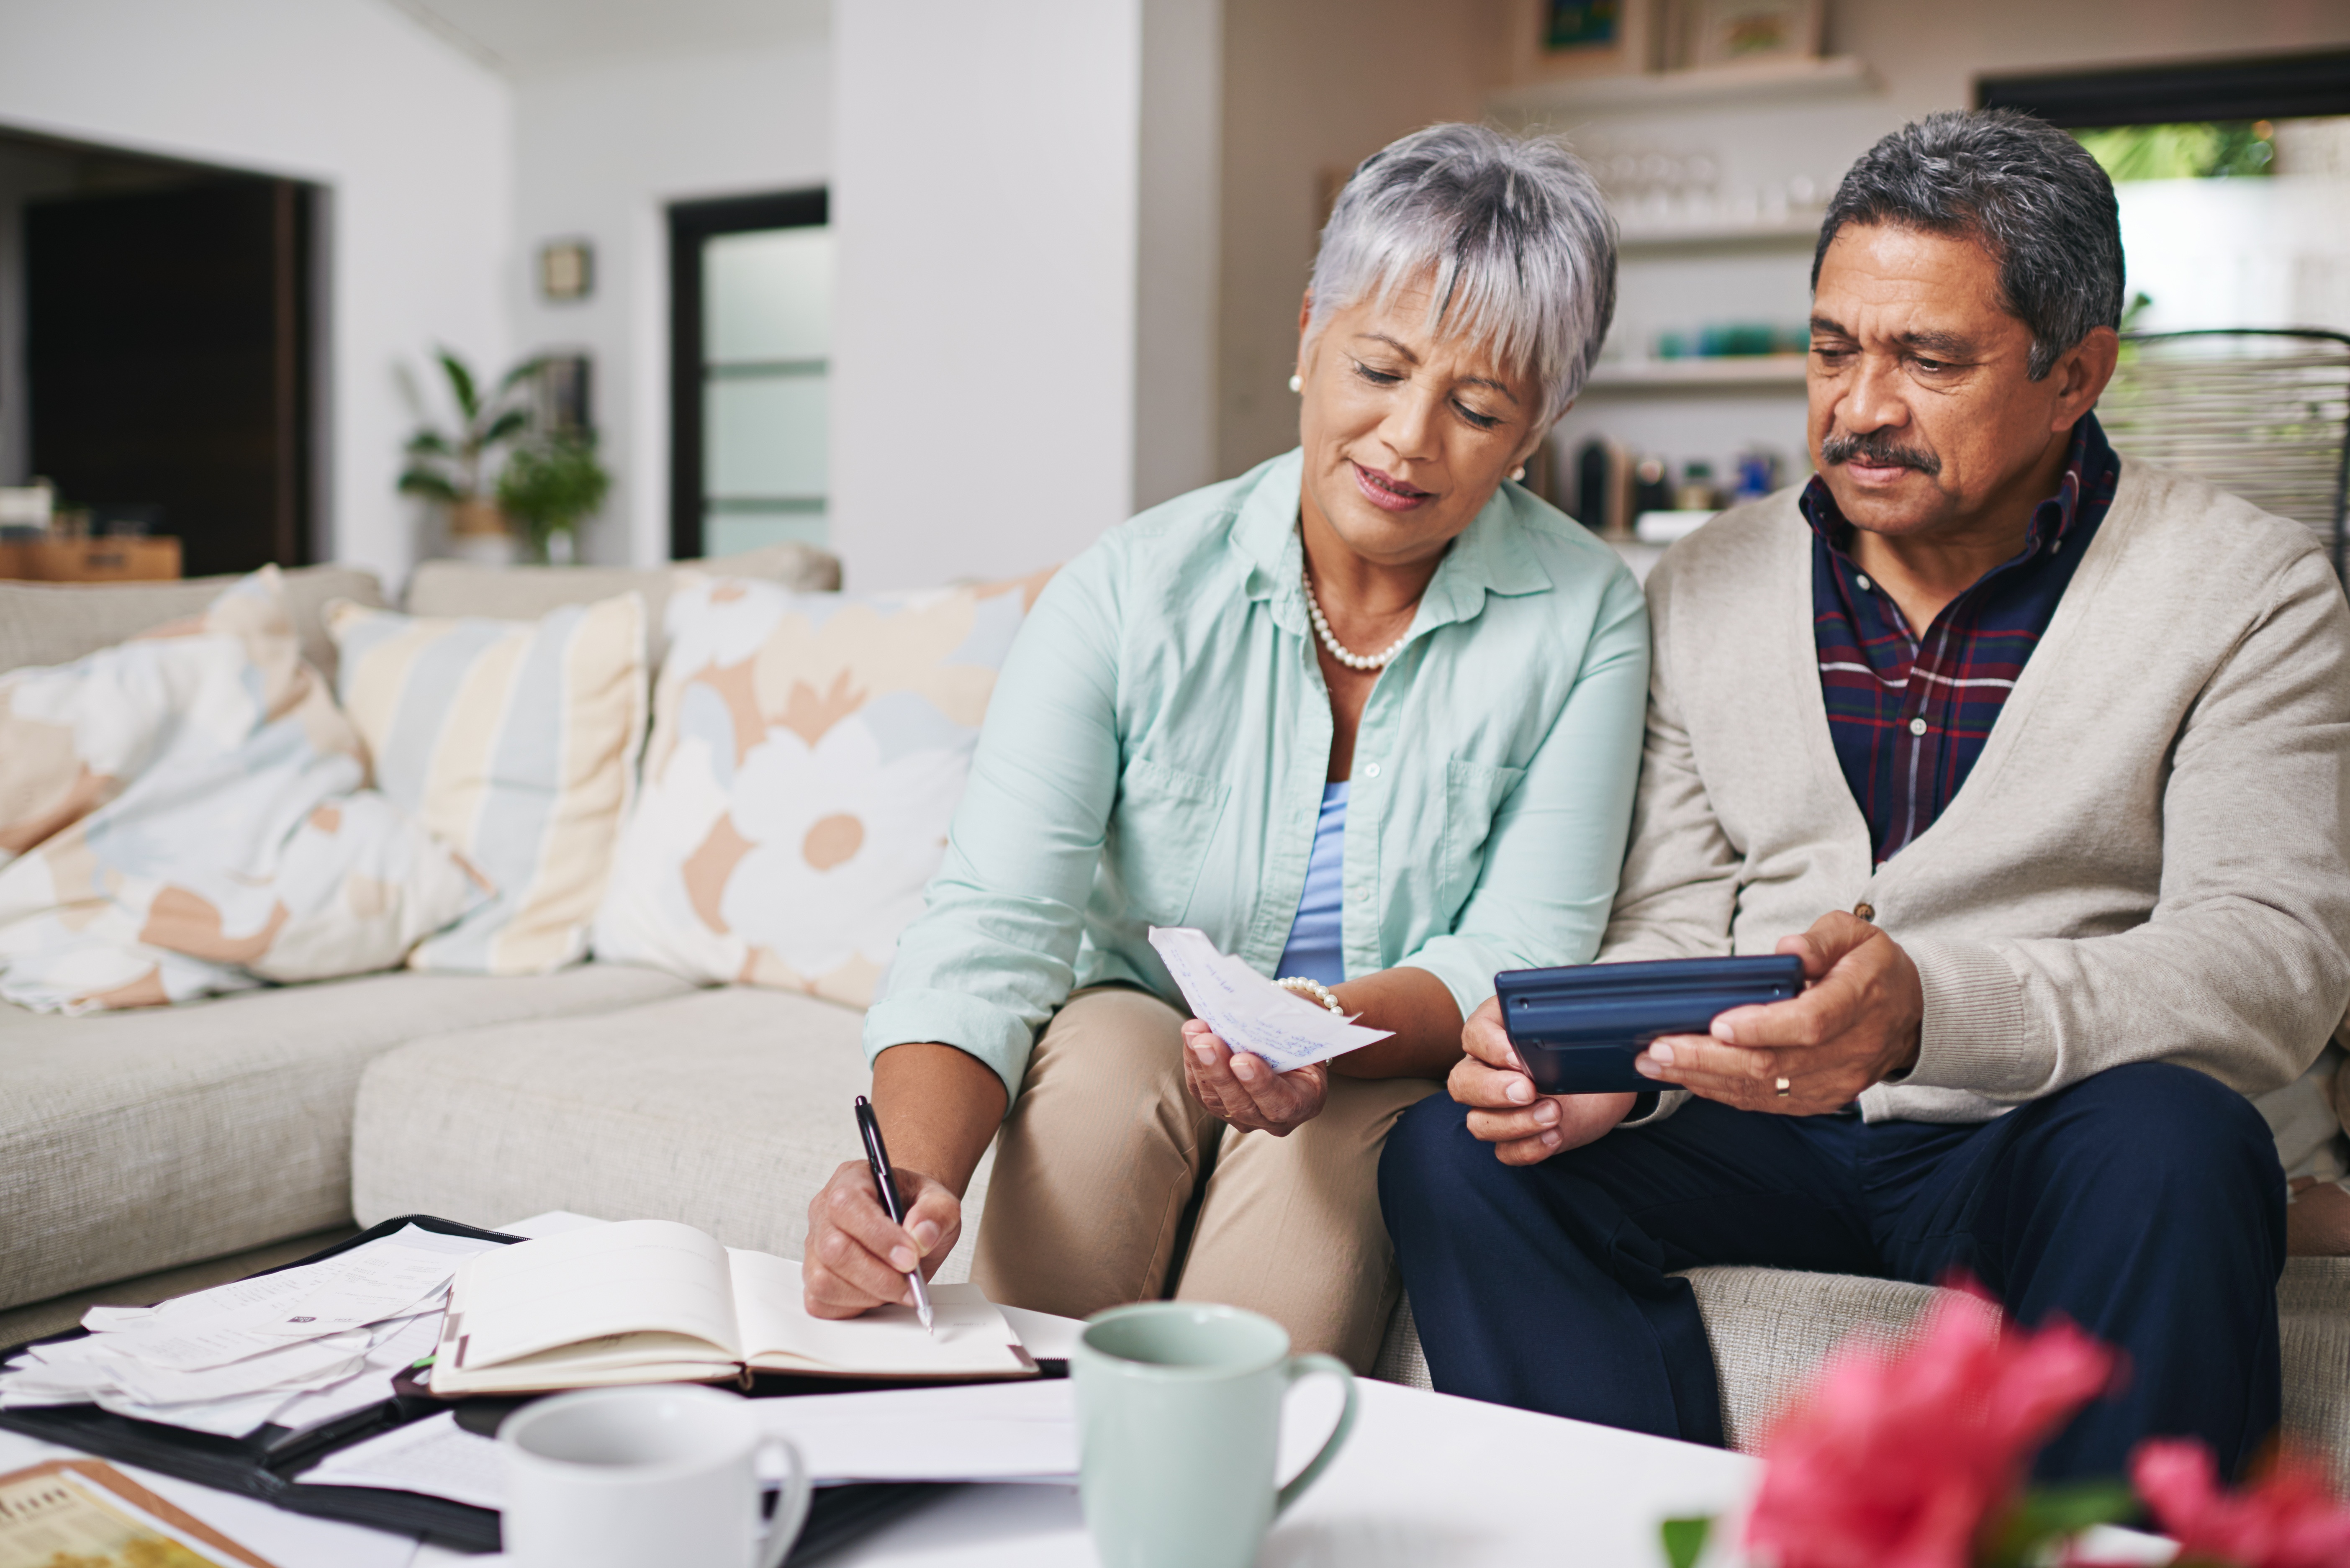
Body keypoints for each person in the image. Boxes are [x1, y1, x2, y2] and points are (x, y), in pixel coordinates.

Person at [1382, 108, 2350, 1478]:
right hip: (1762, 1133)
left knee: (2175, 1140)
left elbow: (2272, 962)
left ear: (2076, 375)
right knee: (1455, 1154)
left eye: (1929, 359)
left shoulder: (2252, 592)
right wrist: (1610, 1077)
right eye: (1835, 347)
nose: (1861, 405)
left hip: (2035, 1135)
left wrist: (1928, 1016)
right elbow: (1672, 913)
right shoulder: (1707, 581)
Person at [799, 123, 1648, 1371]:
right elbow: (997, 917)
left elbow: (1519, 950)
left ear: (1539, 429)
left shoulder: (1587, 612)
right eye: (1379, 366)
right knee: (1095, 1082)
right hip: (1133, 1023)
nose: (1410, 438)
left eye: (1476, 406)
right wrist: (905, 1183)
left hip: (1371, 1054)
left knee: (1274, 1293)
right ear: (1310, 332)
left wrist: (1312, 1024)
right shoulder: (1130, 589)